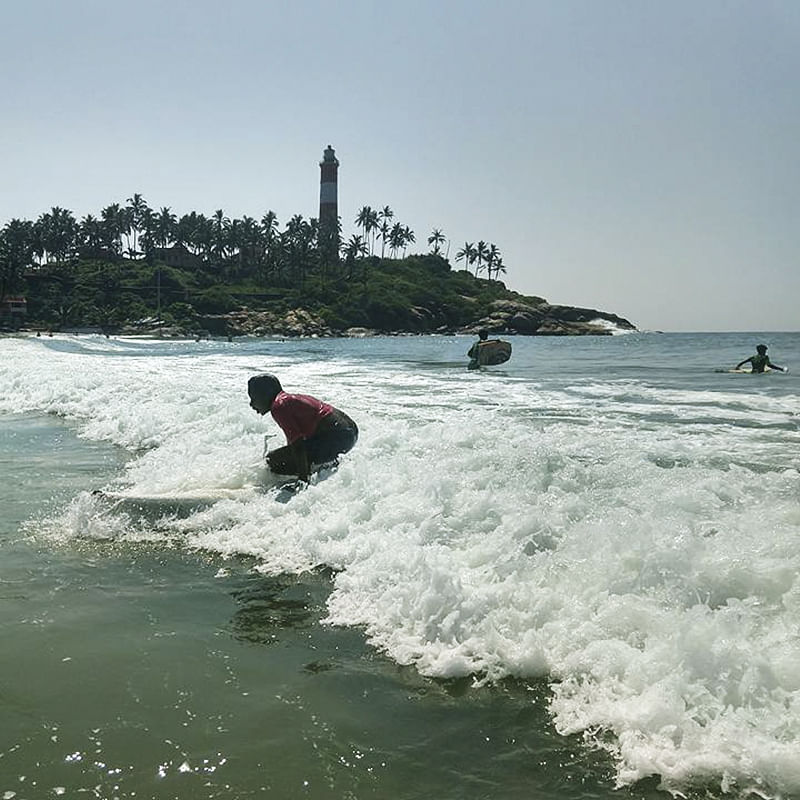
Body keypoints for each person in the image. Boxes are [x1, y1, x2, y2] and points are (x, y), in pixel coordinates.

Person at [248, 373, 358, 482]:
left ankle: (307, 479)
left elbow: (298, 446)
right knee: (287, 456)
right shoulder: (287, 400)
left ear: (265, 394)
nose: (251, 404)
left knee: (272, 460)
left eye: (253, 398)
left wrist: (302, 481)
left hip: (339, 436)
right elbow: (294, 442)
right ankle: (324, 469)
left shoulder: (279, 406)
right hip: (350, 432)